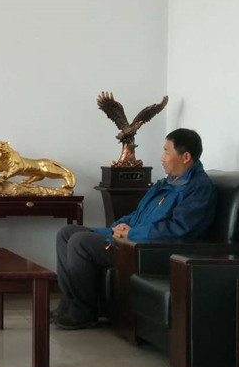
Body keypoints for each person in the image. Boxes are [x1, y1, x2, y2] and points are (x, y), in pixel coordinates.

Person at [54, 128, 217, 330]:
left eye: (167, 151)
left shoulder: (199, 189)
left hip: (148, 250)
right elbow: (137, 214)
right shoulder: (165, 184)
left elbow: (178, 230)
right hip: (132, 239)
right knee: (67, 233)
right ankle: (69, 305)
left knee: (80, 242)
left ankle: (83, 312)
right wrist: (118, 227)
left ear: (185, 157)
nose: (162, 157)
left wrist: (131, 233)